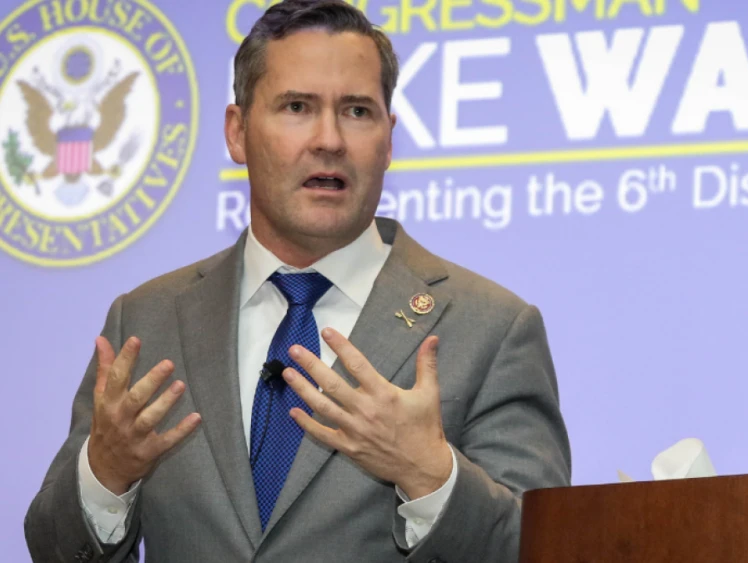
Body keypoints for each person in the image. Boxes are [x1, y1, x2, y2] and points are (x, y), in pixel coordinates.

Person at [23, 1, 572, 561]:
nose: (329, 139)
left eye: (357, 111)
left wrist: (431, 477)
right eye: (297, 107)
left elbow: (544, 547)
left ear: (388, 140)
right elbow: (53, 546)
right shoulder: (147, 319)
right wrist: (105, 475)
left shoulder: (492, 329)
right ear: (237, 133)